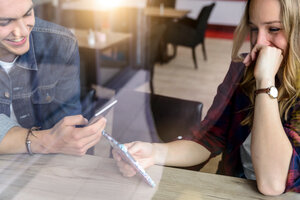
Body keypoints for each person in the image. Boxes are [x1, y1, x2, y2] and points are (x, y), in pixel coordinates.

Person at [113, 0, 300, 196]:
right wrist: (153, 152)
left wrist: (265, 83)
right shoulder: (243, 71)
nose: (260, 41)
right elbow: (209, 137)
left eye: (274, 28)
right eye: (254, 28)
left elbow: (273, 183)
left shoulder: (263, 77)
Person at [0, 0, 106, 155]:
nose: (22, 32)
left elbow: (67, 124)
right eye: (5, 22)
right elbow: (52, 141)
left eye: (28, 14)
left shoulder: (59, 44)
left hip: (41, 166)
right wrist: (43, 142)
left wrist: (76, 137)